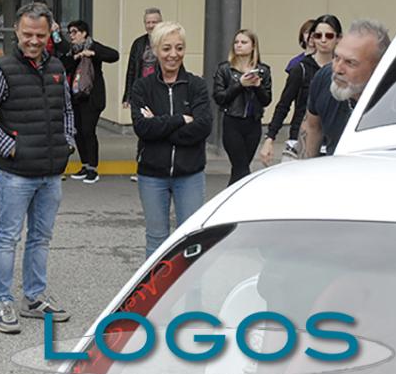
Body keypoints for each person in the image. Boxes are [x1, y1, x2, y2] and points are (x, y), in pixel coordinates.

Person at [0, 1, 75, 334]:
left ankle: (34, 298)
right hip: (16, 173)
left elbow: (67, 110)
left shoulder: (57, 67)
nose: (33, 40)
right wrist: (9, 147)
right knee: (7, 237)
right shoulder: (0, 70)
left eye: (40, 35)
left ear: (49, 33)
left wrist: (68, 141)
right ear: (16, 31)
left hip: (51, 172)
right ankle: (2, 301)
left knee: (41, 238)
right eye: (28, 34)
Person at [130, 21, 212, 258]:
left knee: (191, 239)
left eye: (179, 48)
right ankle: (156, 284)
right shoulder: (142, 87)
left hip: (190, 174)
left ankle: (189, 284)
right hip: (152, 175)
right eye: (166, 48)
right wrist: (180, 119)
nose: (173, 54)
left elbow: (203, 127)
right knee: (156, 239)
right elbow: (142, 128)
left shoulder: (196, 86)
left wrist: (160, 125)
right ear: (156, 50)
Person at [299, 18, 390, 158]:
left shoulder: (394, 98)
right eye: (336, 57)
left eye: (350, 63)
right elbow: (312, 127)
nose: (337, 69)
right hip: (336, 165)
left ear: (379, 68)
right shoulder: (324, 78)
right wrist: (305, 166)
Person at [259, 14, 341, 165]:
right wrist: (269, 138)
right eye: (318, 35)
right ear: (312, 38)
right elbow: (284, 105)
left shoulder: (343, 69)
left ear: (338, 38)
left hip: (334, 141)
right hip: (301, 139)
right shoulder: (301, 68)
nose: (323, 40)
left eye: (329, 36)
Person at [61, 20, 119, 184]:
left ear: (84, 33)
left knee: (88, 131)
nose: (71, 36)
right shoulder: (72, 50)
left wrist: (92, 54)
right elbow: (64, 65)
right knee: (78, 131)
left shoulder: (93, 46)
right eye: (70, 33)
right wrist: (76, 57)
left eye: (74, 32)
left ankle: (93, 168)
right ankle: (85, 165)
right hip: (76, 96)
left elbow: (114, 55)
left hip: (92, 97)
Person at [213, 29, 272, 185]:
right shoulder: (225, 69)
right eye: (236, 42)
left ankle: (230, 197)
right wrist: (239, 84)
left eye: (244, 42)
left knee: (240, 169)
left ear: (253, 46)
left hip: (253, 123)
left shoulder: (263, 70)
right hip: (232, 122)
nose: (238, 45)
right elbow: (219, 97)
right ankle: (237, 197)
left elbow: (266, 100)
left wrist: (258, 86)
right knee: (241, 168)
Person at [122, 7, 163, 182]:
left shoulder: (167, 42)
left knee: (160, 130)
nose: (151, 25)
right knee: (143, 131)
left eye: (155, 22)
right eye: (148, 22)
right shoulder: (138, 43)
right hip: (142, 93)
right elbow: (131, 70)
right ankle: (142, 169)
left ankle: (159, 168)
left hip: (160, 93)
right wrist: (127, 95)